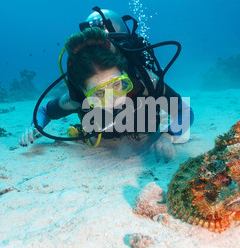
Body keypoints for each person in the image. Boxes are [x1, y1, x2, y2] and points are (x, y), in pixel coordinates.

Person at [19, 9, 194, 162]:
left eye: (118, 84)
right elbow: (45, 111)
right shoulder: (76, 99)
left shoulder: (147, 81)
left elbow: (185, 111)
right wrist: (36, 127)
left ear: (126, 74)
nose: (113, 100)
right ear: (84, 93)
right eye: (99, 94)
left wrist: (168, 136)